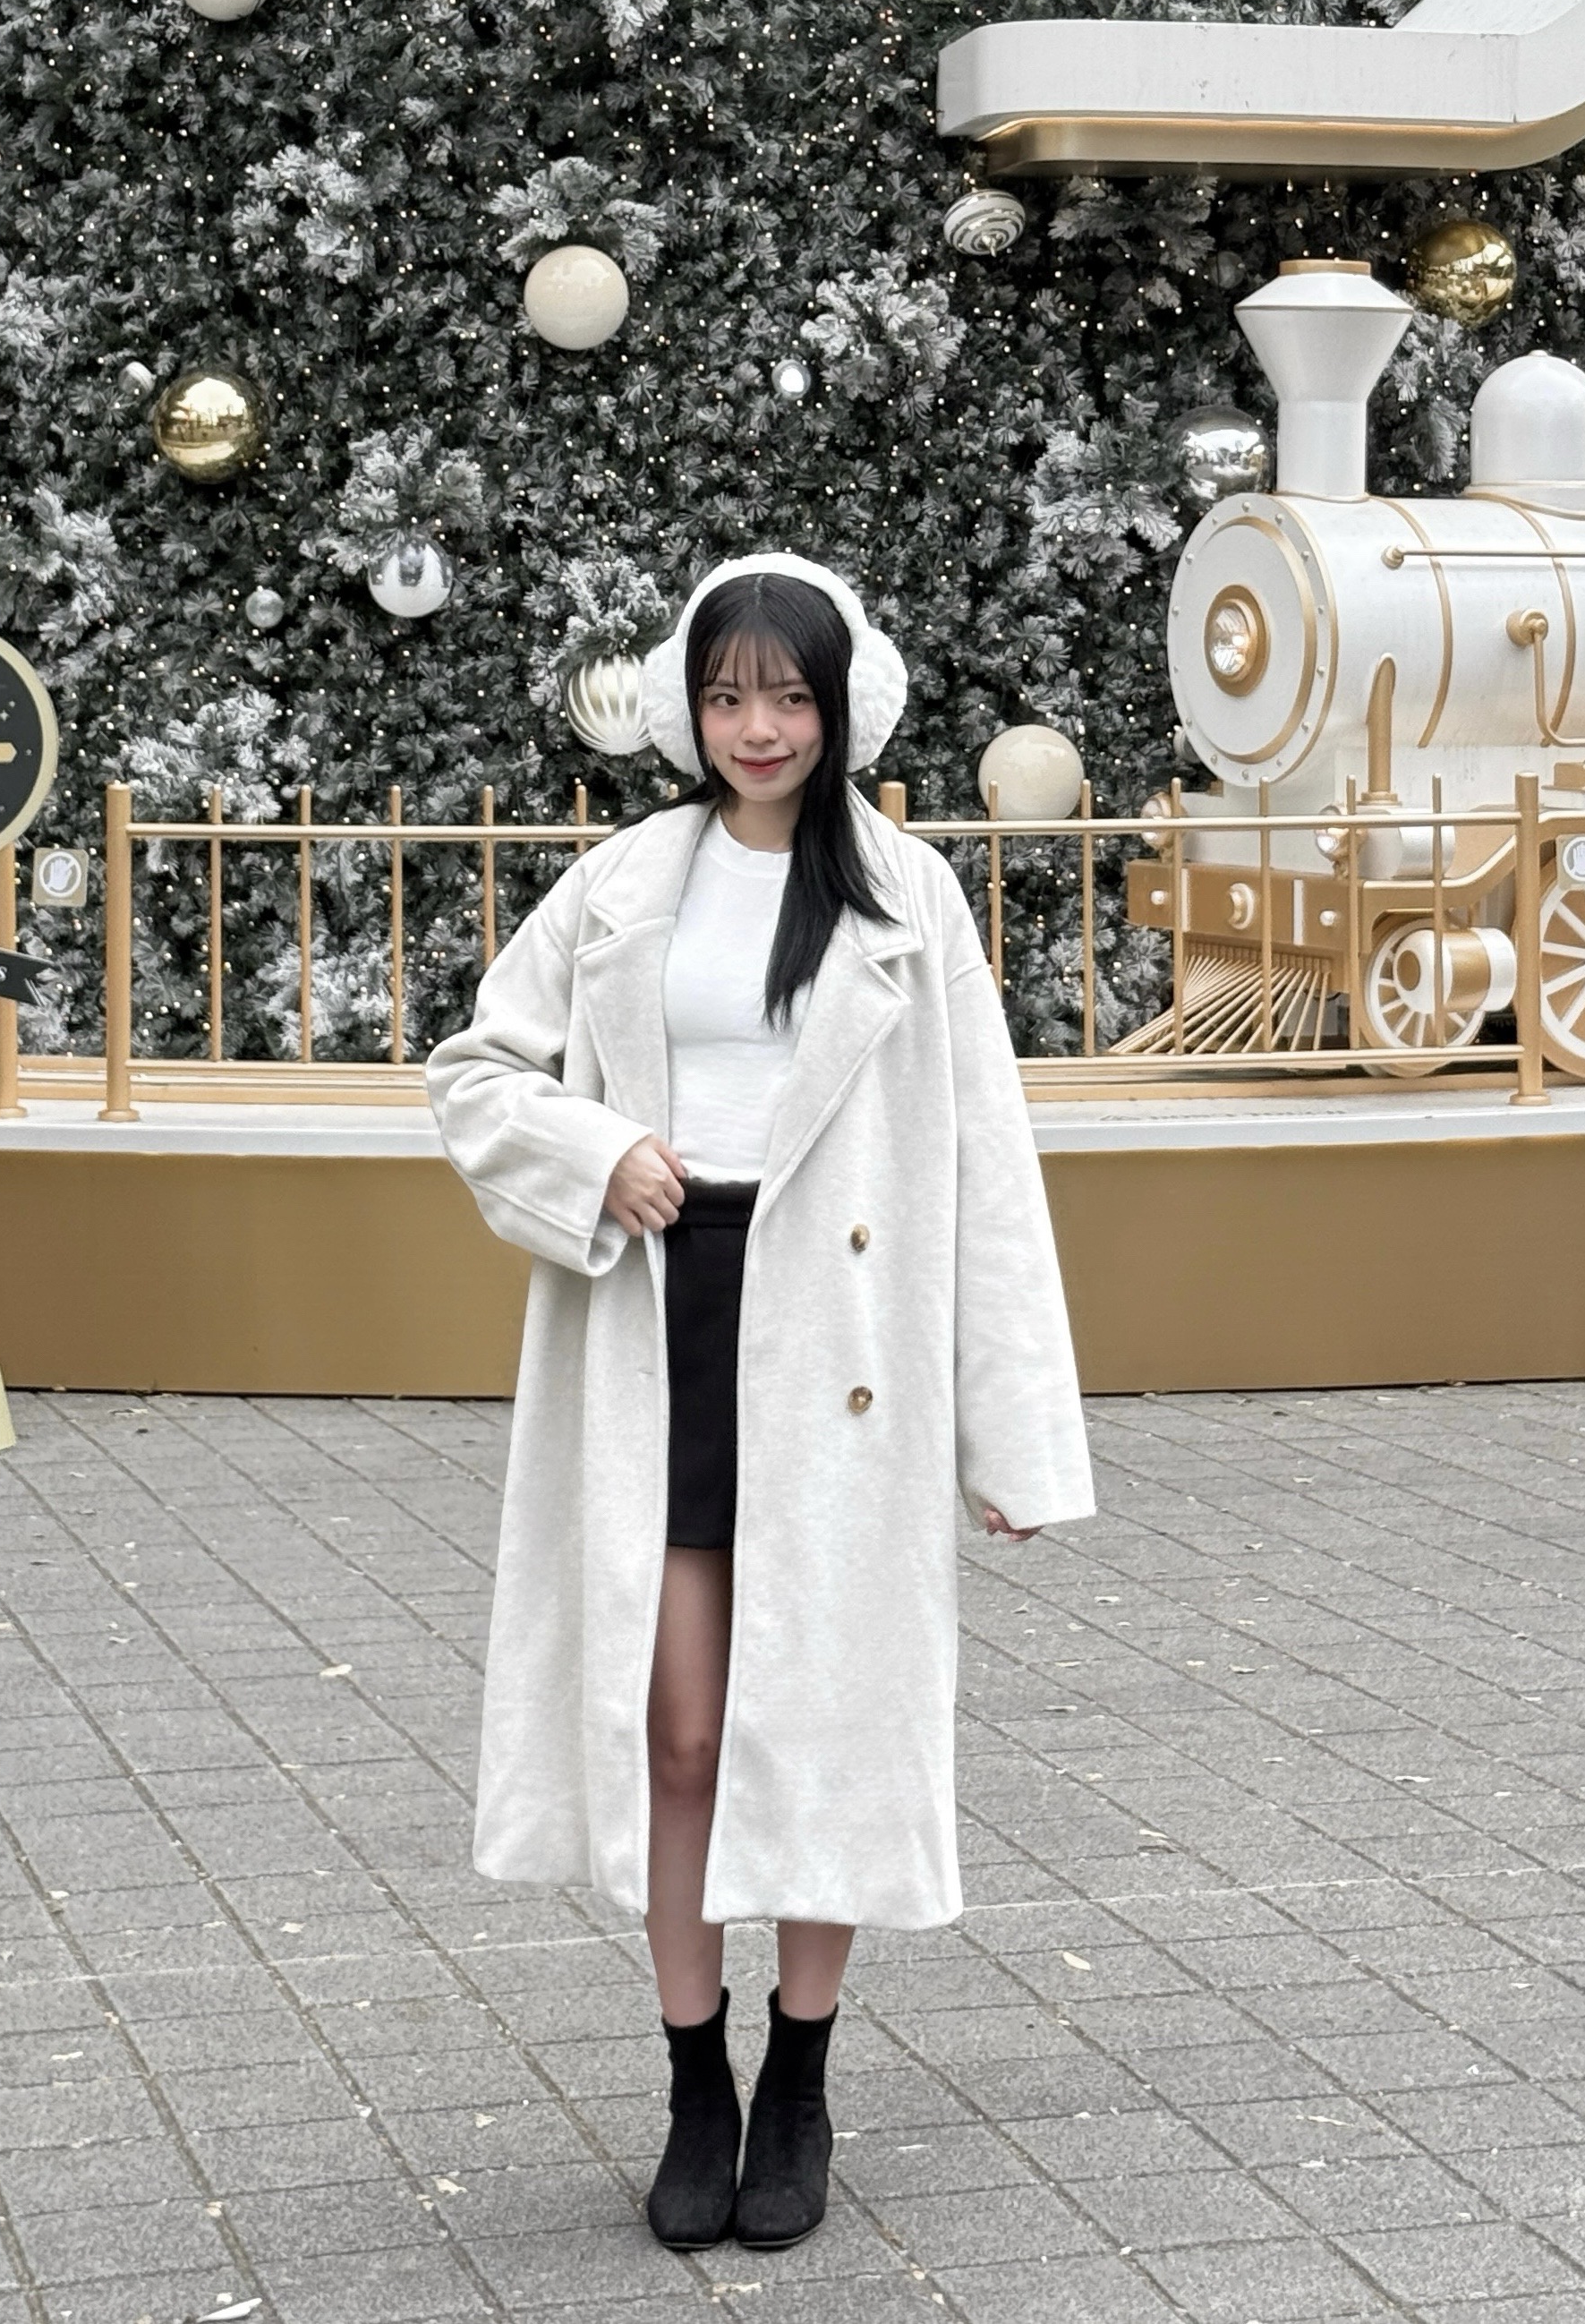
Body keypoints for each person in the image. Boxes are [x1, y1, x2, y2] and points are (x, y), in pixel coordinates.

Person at [426, 553, 1095, 2252]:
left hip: (838, 1342)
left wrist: (1009, 1434)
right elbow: (477, 1070)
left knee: (815, 1718)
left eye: (788, 695)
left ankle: (798, 2076)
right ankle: (690, 2082)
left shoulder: (906, 893)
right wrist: (599, 1151)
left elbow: (987, 1164)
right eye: (727, 695)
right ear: (688, 706)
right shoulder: (622, 880)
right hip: (660, 1303)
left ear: (840, 703)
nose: (758, 727)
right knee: (678, 1727)